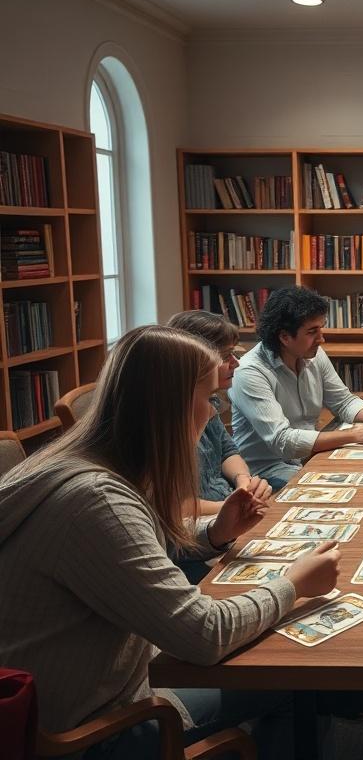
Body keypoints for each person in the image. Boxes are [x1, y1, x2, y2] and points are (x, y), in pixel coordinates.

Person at [0, 325, 343, 758]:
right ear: (172, 407)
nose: (213, 410)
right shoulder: (96, 500)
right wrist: (294, 584)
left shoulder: (76, 463)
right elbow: (203, 634)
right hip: (95, 731)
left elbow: (133, 552)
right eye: (207, 398)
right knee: (296, 683)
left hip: (77, 696)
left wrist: (216, 532)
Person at [229, 287, 363, 488]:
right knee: (352, 488)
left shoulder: (313, 353)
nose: (322, 339)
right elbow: (282, 441)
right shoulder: (249, 372)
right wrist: (356, 434)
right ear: (284, 337)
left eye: (321, 328)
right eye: (312, 332)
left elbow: (343, 401)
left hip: (309, 457)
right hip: (267, 473)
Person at [167, 310, 271, 514]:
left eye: (235, 354)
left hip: (223, 503)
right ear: (195, 360)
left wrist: (243, 482)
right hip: (206, 518)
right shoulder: (167, 420)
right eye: (225, 356)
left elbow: (227, 450)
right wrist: (232, 507)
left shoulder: (208, 399)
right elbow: (175, 506)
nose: (236, 362)